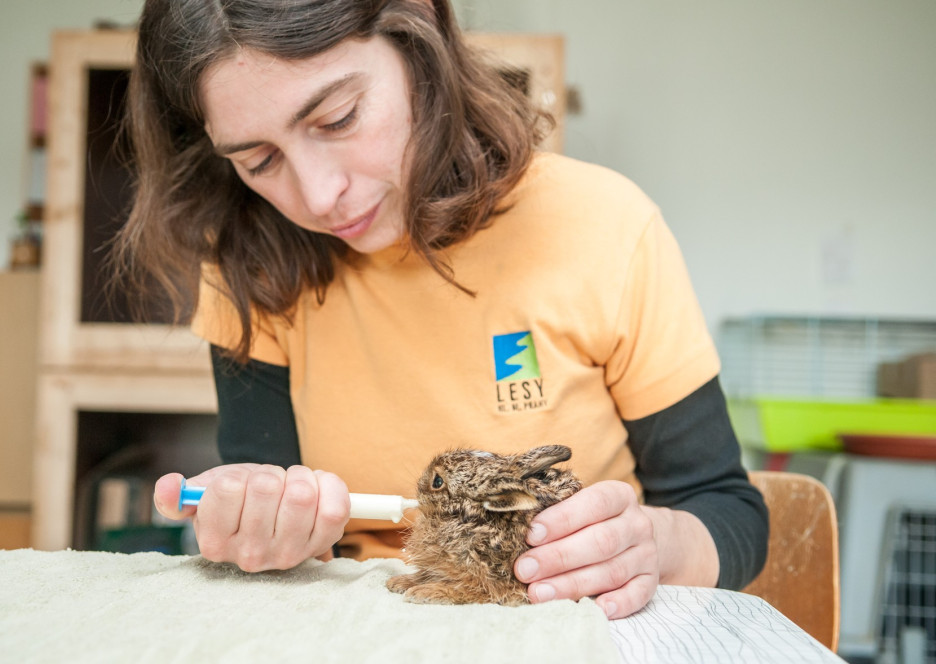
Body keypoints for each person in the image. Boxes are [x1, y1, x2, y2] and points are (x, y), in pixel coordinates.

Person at [116, 0, 769, 619]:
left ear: (417, 28)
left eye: (339, 118)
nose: (319, 196)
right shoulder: (251, 260)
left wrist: (657, 543)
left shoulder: (606, 228)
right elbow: (273, 525)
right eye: (259, 160)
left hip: (564, 627)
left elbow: (729, 512)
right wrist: (256, 525)